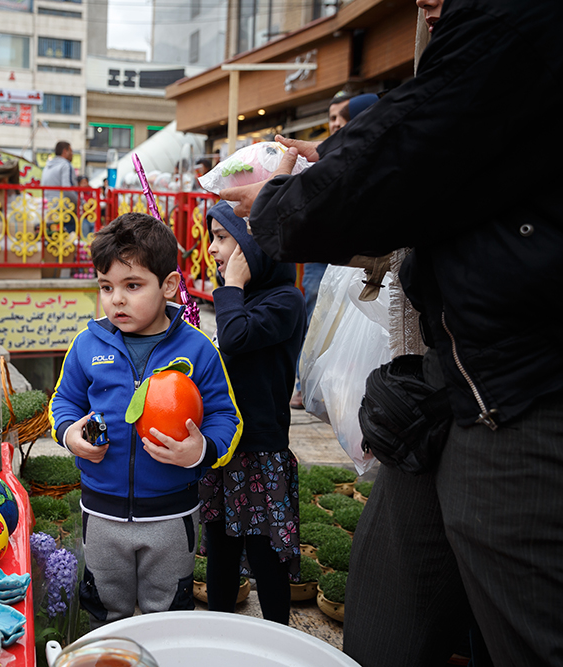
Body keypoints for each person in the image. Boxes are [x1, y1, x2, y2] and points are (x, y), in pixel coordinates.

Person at [220, 0, 563, 664]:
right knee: (382, 627)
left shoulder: (520, 22)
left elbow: (397, 162)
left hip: (516, 388)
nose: (426, 4)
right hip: (443, 384)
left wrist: (282, 202)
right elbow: (419, 190)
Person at [49, 212, 242, 628]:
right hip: (101, 515)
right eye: (106, 287)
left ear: (168, 286)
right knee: (103, 614)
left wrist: (201, 450)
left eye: (132, 286)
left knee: (167, 619)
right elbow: (62, 401)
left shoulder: (198, 349)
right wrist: (69, 434)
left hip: (171, 519)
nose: (116, 299)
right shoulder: (86, 345)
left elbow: (227, 416)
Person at [200, 201, 306, 624]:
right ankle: (221, 637)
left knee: (268, 560)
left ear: (252, 243)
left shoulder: (286, 300)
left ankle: (278, 637)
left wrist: (232, 286)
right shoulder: (241, 296)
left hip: (262, 453)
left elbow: (236, 336)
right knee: (220, 556)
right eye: (213, 237)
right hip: (225, 449)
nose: (211, 248)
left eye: (222, 237)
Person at [292, 91, 379, 409]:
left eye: (343, 119)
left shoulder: (367, 157)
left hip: (361, 261)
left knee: (354, 324)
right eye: (332, 118)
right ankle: (306, 384)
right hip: (323, 259)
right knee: (316, 315)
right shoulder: (325, 157)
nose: (336, 124)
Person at [41, 141, 80, 233]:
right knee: (70, 239)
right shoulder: (65, 165)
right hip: (64, 209)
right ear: (65, 151)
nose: (72, 154)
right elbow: (67, 188)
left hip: (49, 209)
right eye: (71, 151)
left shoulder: (47, 167)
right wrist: (79, 202)